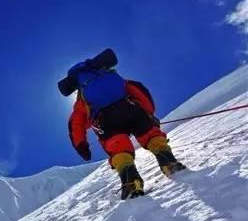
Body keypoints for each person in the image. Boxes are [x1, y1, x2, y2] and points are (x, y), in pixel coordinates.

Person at [61, 49, 186, 199]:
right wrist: (149, 114)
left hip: (106, 119)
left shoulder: (82, 97)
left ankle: (131, 182)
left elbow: (76, 122)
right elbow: (138, 89)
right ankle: (169, 162)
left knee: (118, 147)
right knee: (150, 135)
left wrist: (81, 145)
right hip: (130, 108)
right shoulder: (111, 77)